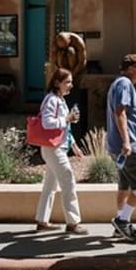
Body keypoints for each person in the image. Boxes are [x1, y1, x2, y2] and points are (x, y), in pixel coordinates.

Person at [106, 54, 136, 242]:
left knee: (125, 185)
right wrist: (127, 142)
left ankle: (121, 225)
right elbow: (119, 112)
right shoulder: (124, 84)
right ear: (131, 69)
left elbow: (124, 109)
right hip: (127, 146)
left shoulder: (123, 86)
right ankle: (122, 220)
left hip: (120, 146)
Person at [35, 68, 88, 235]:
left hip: (56, 148)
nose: (70, 85)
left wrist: (75, 147)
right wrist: (66, 119)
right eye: (67, 82)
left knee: (50, 185)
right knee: (68, 181)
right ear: (57, 83)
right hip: (53, 149)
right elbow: (47, 123)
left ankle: (42, 220)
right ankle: (73, 223)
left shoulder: (60, 100)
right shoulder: (52, 100)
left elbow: (66, 130)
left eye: (71, 82)